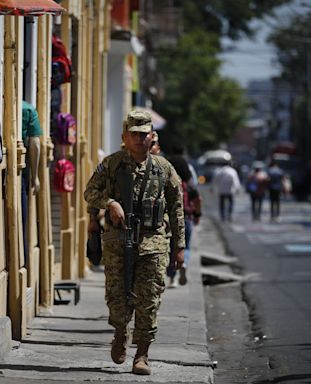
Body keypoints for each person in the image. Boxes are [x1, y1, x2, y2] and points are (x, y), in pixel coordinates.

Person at [84, 109, 185, 376]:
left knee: (149, 300)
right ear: (125, 136)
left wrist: (180, 246)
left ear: (152, 137)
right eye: (135, 134)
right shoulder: (112, 164)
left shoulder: (164, 169)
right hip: (118, 243)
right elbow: (90, 192)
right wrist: (110, 203)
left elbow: (176, 207)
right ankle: (120, 333)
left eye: (144, 135)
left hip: (153, 244)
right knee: (117, 296)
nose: (140, 139)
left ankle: (142, 354)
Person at [167, 145, 201, 287]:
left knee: (170, 248)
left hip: (168, 218)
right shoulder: (187, 185)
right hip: (186, 217)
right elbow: (198, 199)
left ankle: (172, 278)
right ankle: (184, 263)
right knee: (185, 246)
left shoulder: (166, 173)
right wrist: (198, 214)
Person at [21, 101, 42, 262]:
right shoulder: (28, 109)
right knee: (22, 219)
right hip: (20, 172)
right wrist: (35, 176)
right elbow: (35, 143)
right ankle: (24, 261)